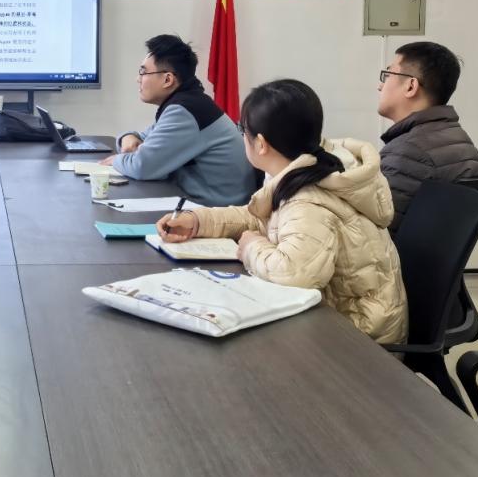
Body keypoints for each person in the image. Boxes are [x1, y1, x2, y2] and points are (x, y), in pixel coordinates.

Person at [156, 79, 408, 344]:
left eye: (242, 129)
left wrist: (252, 247)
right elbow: (258, 216)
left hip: (359, 338)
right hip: (337, 317)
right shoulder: (307, 167)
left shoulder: (308, 200)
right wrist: (198, 220)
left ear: (261, 144)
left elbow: (294, 274)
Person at [100, 34, 254, 206]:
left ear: (167, 79)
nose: (138, 79)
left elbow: (142, 166)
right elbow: (144, 139)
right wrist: (127, 137)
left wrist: (116, 160)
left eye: (143, 72)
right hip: (200, 203)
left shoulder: (184, 112)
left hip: (215, 210)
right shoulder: (187, 103)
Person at [377, 41, 478, 232]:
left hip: (400, 252)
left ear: (410, 86)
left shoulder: (408, 152)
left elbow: (379, 233)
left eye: (388, 75)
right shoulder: (458, 138)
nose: (380, 86)